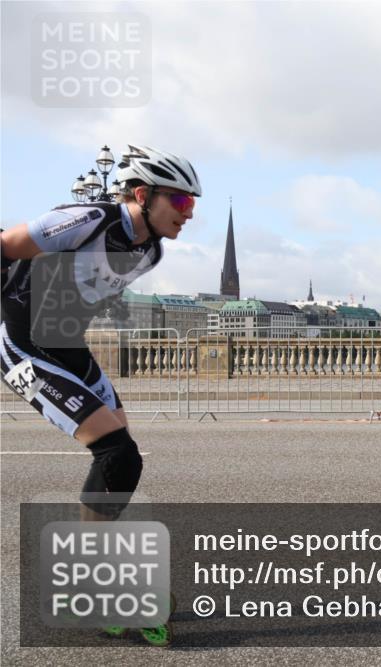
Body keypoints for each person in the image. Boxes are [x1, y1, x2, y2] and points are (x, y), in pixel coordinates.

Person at [1, 144, 200, 645]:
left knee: (123, 463)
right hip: (26, 349)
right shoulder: (87, 219)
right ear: (143, 195)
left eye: (193, 204)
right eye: (180, 201)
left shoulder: (150, 252)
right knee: (115, 451)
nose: (189, 213)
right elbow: (7, 247)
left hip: (70, 347)